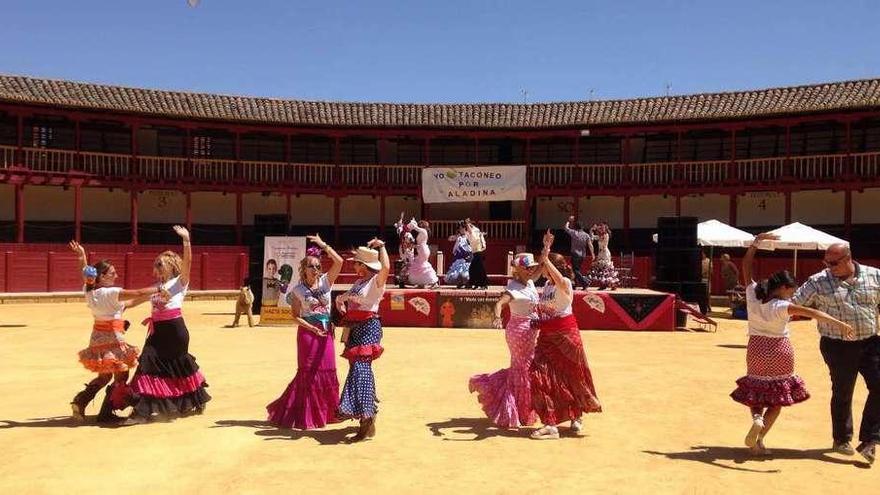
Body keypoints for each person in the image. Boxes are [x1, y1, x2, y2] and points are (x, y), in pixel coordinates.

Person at [730, 233, 854, 456]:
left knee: (755, 389)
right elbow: (814, 312)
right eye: (792, 289)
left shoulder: (753, 295)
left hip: (757, 348)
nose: (793, 293)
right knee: (777, 399)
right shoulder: (782, 306)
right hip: (779, 350)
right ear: (784, 288)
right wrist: (839, 323)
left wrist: (756, 243)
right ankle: (760, 438)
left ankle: (757, 419)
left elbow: (746, 264)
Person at [792, 242, 880, 464]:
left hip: (871, 342)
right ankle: (841, 439)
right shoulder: (818, 281)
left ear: (848, 257)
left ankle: (870, 439)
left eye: (833, 263)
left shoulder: (874, 276)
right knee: (843, 391)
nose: (829, 266)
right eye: (826, 262)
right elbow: (794, 304)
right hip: (837, 345)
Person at [123, 226, 211, 425]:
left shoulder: (180, 282)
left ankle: (194, 400)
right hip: (158, 332)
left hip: (174, 330)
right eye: (156, 264)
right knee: (147, 365)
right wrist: (121, 307)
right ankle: (142, 412)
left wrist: (186, 240)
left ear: (172, 266)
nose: (157, 268)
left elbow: (188, 262)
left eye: (161, 264)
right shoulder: (157, 287)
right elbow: (135, 300)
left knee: (178, 367)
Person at [68, 240, 161, 423]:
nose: (116, 275)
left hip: (97, 338)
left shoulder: (90, 292)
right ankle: (112, 410)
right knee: (122, 374)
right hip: (113, 338)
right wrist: (160, 288)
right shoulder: (111, 293)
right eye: (112, 273)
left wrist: (82, 256)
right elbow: (136, 293)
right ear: (102, 277)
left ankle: (80, 401)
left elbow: (128, 304)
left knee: (104, 376)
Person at [529, 231, 602, 439]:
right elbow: (546, 308)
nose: (542, 270)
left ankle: (576, 416)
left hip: (566, 335)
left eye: (545, 267)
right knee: (540, 376)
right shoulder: (547, 287)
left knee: (573, 377)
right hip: (547, 336)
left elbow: (558, 278)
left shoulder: (565, 284)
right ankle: (551, 423)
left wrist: (546, 252)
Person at [267, 235, 344, 430]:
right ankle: (307, 415)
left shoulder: (326, 282)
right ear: (304, 269)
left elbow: (339, 261)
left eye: (318, 266)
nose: (316, 269)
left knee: (327, 371)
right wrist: (310, 327)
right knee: (308, 374)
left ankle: (327, 413)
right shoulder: (297, 290)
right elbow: (294, 316)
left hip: (326, 334)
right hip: (308, 336)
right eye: (312, 266)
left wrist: (322, 244)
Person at [469, 252, 540, 428]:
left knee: (524, 369)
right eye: (529, 268)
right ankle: (520, 411)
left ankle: (520, 409)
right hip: (518, 331)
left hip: (531, 331)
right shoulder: (514, 287)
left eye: (532, 267)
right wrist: (498, 318)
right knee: (522, 369)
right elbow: (500, 304)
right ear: (520, 270)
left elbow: (542, 267)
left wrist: (546, 249)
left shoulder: (530, 282)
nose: (532, 270)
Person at [334, 238, 390, 442]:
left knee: (360, 368)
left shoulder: (376, 282)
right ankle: (368, 417)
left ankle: (364, 414)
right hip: (354, 329)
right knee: (358, 369)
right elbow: (343, 297)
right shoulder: (359, 283)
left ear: (363, 265)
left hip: (368, 327)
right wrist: (340, 303)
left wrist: (382, 246)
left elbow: (387, 267)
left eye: (356, 263)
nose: (354, 265)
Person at [404, 217, 440, 288]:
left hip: (423, 249)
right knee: (421, 264)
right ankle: (422, 283)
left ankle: (432, 282)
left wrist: (412, 224)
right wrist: (412, 246)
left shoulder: (423, 231)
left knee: (421, 264)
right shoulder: (421, 232)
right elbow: (418, 245)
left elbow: (415, 227)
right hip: (421, 249)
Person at [564, 216, 593, 290]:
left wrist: (569, 221)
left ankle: (585, 282)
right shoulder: (586, 235)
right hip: (583, 255)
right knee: (577, 270)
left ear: (576, 227)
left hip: (575, 254)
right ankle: (575, 285)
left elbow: (566, 228)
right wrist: (593, 254)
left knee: (575, 270)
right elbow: (590, 245)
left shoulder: (574, 233)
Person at [588, 222, 619, 290]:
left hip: (605, 253)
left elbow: (602, 241)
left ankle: (613, 285)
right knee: (601, 269)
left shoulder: (606, 235)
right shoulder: (600, 236)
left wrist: (598, 231)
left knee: (607, 269)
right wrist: (592, 230)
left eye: (602, 228)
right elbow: (592, 237)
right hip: (600, 253)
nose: (601, 229)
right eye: (600, 228)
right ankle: (603, 285)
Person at [444, 222, 472, 288]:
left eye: (462, 228)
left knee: (467, 271)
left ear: (465, 229)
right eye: (460, 229)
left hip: (467, 256)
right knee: (458, 271)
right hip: (459, 257)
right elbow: (450, 239)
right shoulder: (459, 237)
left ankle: (468, 283)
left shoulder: (469, 236)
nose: (461, 230)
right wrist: (455, 236)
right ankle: (460, 283)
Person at [465, 218, 489, 289]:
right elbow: (471, 234)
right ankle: (476, 283)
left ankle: (482, 284)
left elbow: (473, 236)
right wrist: (467, 224)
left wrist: (467, 223)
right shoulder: (473, 231)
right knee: (475, 268)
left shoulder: (475, 231)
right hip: (476, 252)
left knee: (477, 268)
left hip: (478, 252)